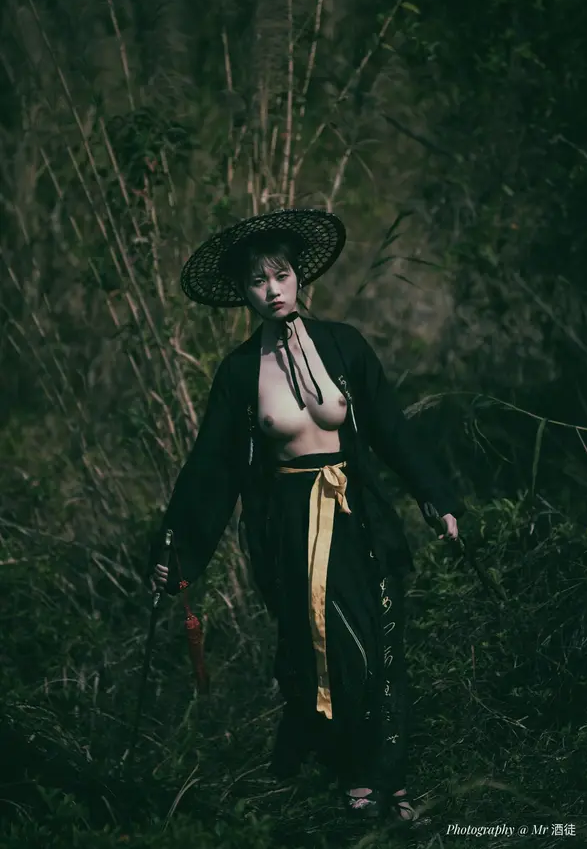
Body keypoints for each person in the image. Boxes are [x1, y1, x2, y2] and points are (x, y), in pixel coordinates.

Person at [148, 208, 464, 822]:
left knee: (383, 642)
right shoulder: (240, 372)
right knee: (333, 650)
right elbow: (211, 470)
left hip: (359, 516)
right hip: (294, 529)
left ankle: (391, 778)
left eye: (281, 275)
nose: (272, 290)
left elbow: (391, 429)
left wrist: (436, 498)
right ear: (243, 292)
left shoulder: (344, 344)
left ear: (298, 278)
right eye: (257, 281)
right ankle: (355, 774)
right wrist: (175, 553)